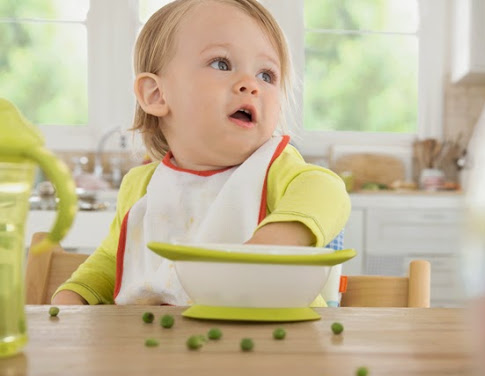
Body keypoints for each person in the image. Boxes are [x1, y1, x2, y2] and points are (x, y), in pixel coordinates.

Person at [52, 0, 350, 306]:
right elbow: (112, 261)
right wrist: (75, 295)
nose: (250, 85)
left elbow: (327, 191)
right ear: (156, 94)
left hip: (276, 343)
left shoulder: (273, 168)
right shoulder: (140, 189)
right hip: (157, 346)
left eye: (266, 75)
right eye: (221, 63)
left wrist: (273, 242)